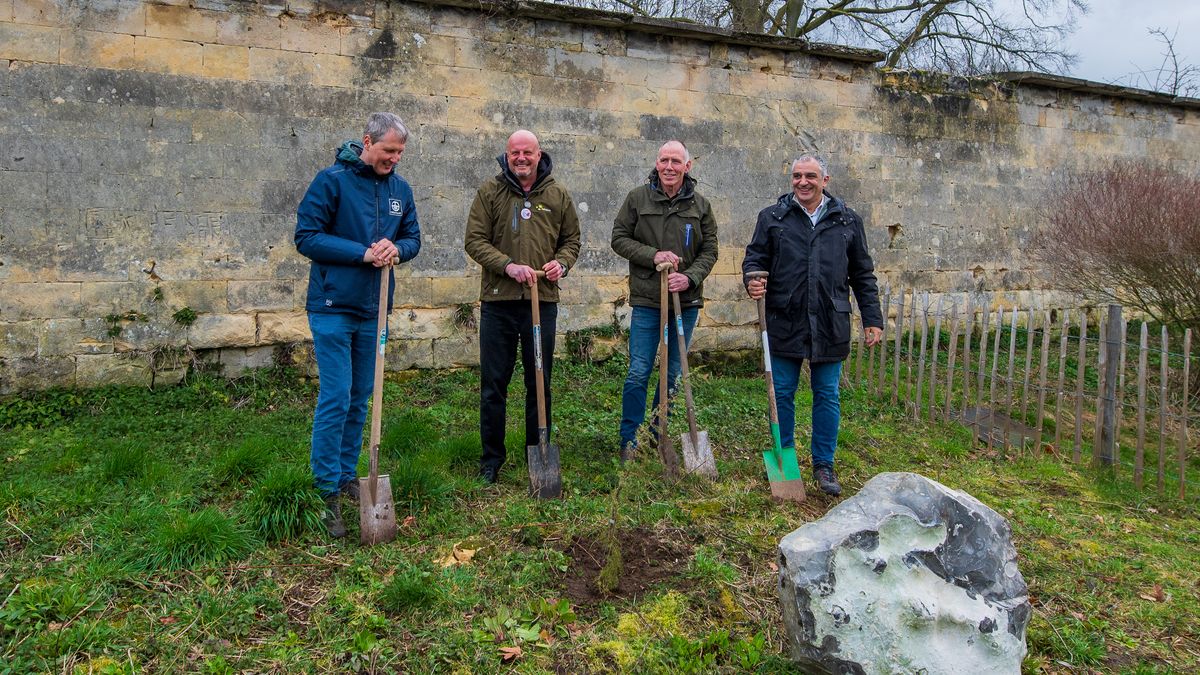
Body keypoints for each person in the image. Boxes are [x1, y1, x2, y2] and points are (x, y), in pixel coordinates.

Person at [295, 112, 421, 537]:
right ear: (367, 142)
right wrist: (362, 253)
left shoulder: (400, 189)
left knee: (361, 396)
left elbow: (413, 238)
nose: (395, 159)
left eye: (400, 153)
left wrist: (396, 248)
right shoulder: (331, 181)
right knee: (336, 394)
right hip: (333, 306)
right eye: (389, 151)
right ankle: (325, 489)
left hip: (375, 309)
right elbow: (306, 237)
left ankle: (348, 474)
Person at [742, 154, 883, 496]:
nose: (802, 182)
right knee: (783, 394)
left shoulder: (847, 222)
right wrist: (752, 279)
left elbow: (862, 274)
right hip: (784, 319)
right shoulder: (773, 218)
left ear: (825, 180)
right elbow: (755, 257)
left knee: (827, 395)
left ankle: (823, 465)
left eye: (810, 176)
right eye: (796, 176)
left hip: (829, 321)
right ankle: (785, 462)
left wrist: (872, 319)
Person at [464, 130, 581, 483]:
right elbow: (474, 240)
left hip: (541, 301)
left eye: (527, 152)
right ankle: (491, 460)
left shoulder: (557, 193)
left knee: (539, 381)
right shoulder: (490, 192)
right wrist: (507, 266)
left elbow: (571, 239)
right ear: (507, 155)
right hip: (499, 301)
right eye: (515, 153)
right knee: (494, 383)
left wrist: (562, 262)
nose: (521, 158)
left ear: (538, 153)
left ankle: (538, 454)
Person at [611, 140, 718, 460]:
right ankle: (630, 439)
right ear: (656, 164)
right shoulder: (637, 199)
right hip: (647, 299)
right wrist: (653, 255)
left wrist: (690, 277)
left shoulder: (700, 206)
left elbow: (710, 251)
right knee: (639, 370)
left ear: (688, 166)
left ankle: (660, 435)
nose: (669, 166)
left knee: (672, 373)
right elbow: (619, 239)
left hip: (685, 303)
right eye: (663, 160)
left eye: (676, 161)